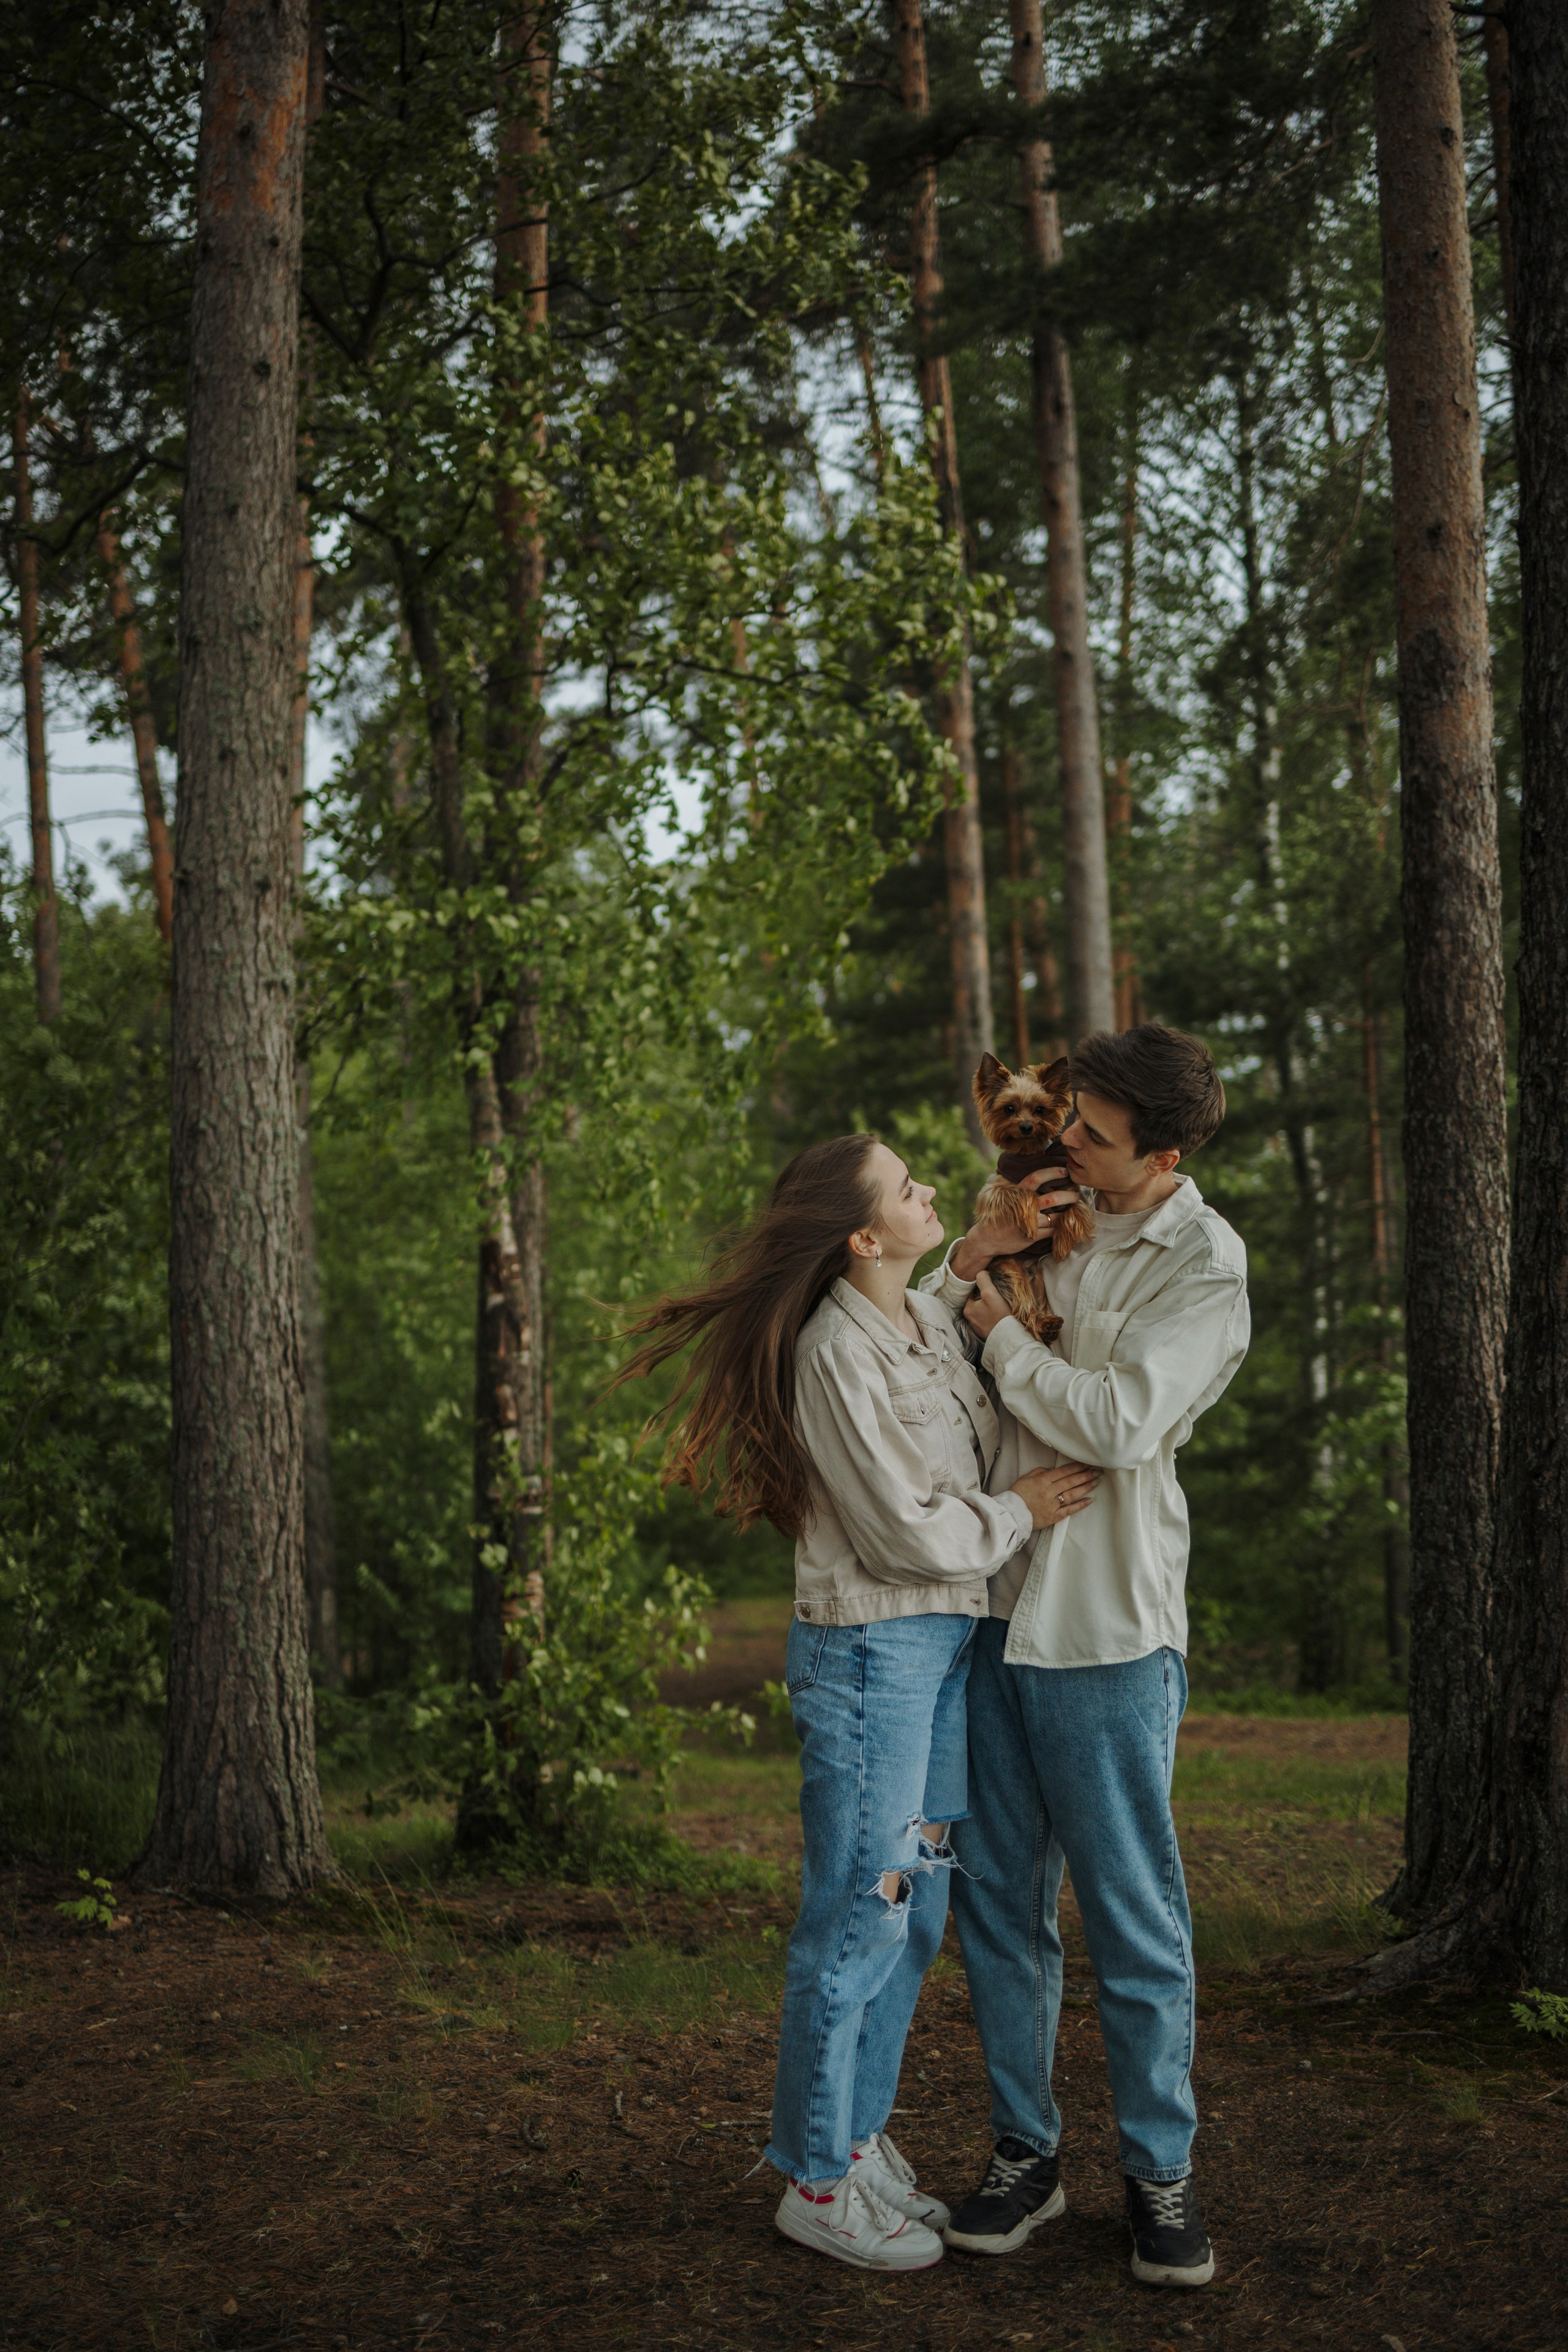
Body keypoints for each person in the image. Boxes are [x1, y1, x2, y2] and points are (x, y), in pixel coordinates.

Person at [617, 1132, 1098, 2272]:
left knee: (915, 1906)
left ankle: (858, 2136)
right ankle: (815, 2177)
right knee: (858, 1910)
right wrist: (1022, 1510)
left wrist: (985, 1241)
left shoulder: (917, 1317)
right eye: (906, 1188)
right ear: (862, 1236)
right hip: (874, 1656)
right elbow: (901, 1531)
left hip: (936, 1654)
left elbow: (946, 1290)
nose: (931, 1187)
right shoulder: (835, 1351)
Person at [921, 1024, 1250, 2291]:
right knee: (997, 1907)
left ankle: (1157, 2172)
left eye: (1092, 1136)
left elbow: (1115, 1424)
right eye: (1065, 1121)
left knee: (1129, 1918)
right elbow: (924, 1364)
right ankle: (1023, 2153)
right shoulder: (1029, 1211)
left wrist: (996, 1329)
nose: (1064, 1142)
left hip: (1102, 1626)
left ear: (1158, 1154)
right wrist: (969, 1269)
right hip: (985, 1606)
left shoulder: (1200, 1262)